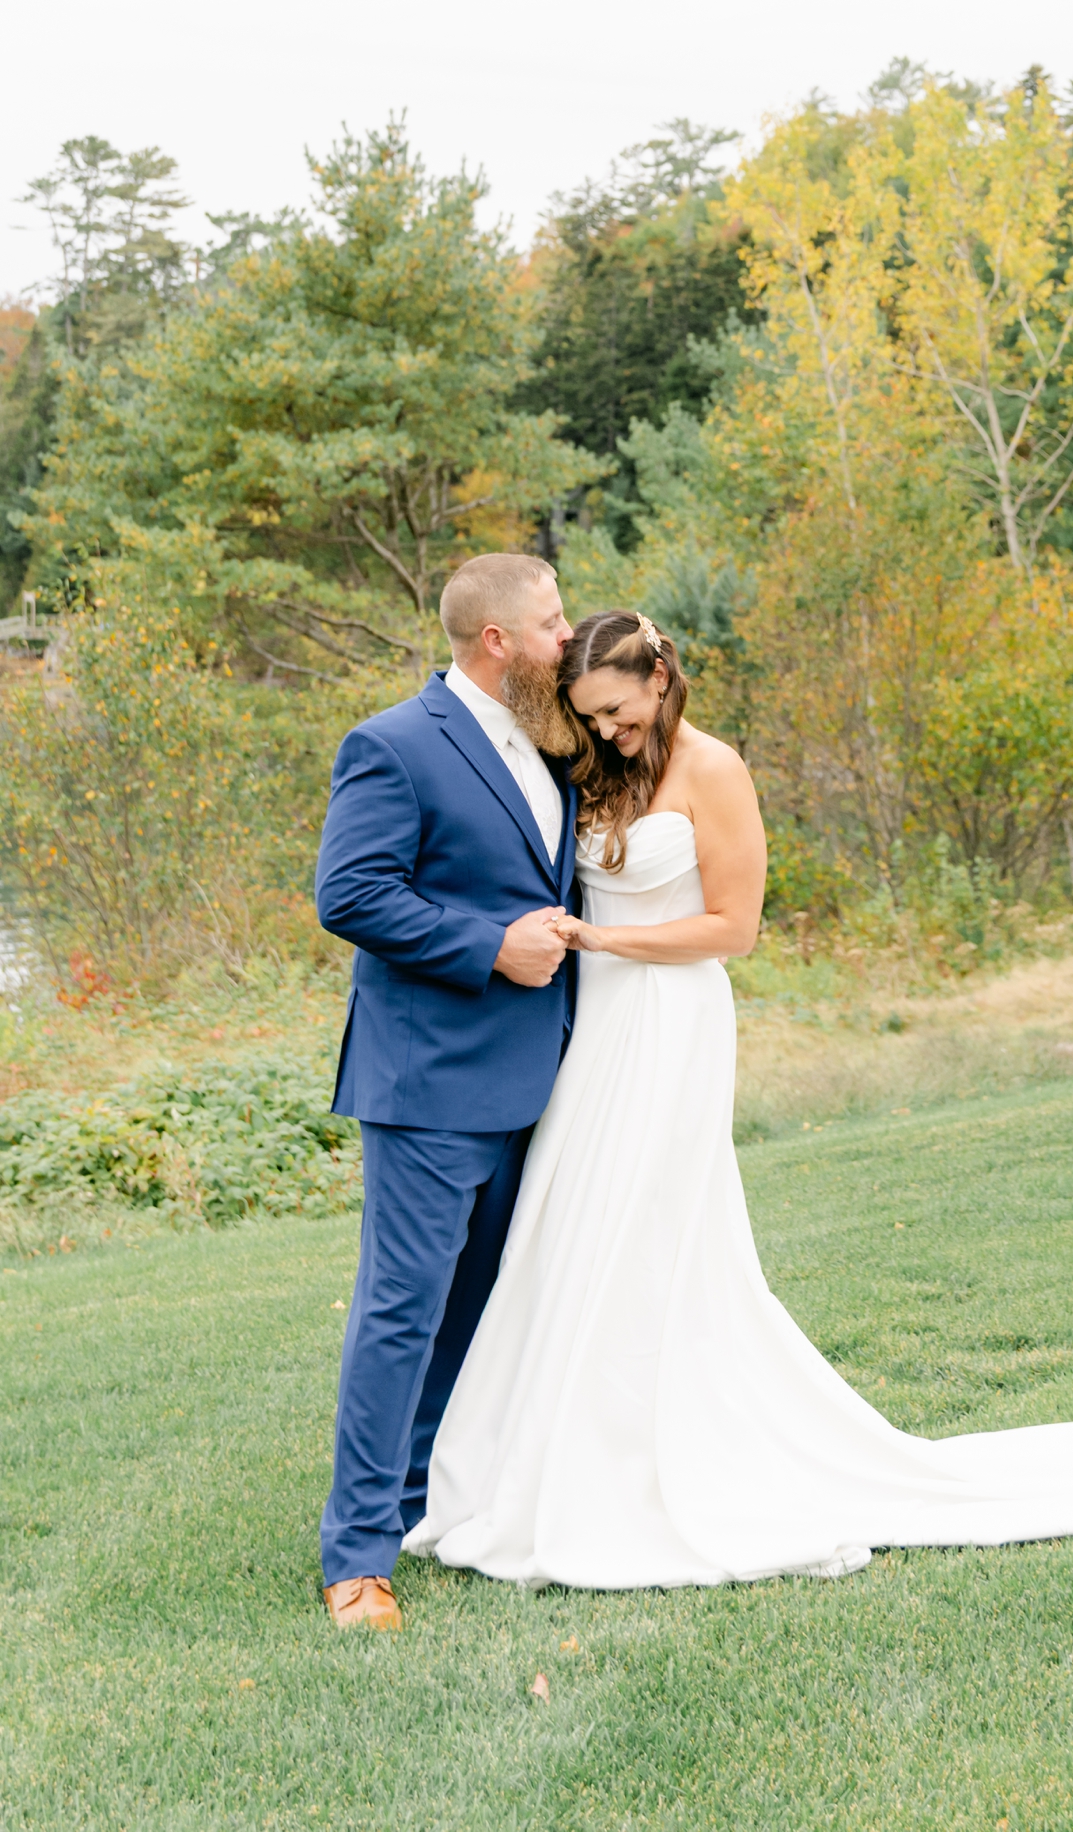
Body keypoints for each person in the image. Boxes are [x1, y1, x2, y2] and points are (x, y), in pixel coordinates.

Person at [405, 611, 1073, 1590]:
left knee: (652, 1227)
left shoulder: (714, 769)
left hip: (671, 1022)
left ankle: (655, 1461)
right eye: (594, 718)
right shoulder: (600, 770)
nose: (611, 732)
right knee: (574, 1228)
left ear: (661, 678)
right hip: (599, 1033)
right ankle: (561, 1454)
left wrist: (603, 942)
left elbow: (734, 928)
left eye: (620, 712)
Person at [313, 553, 580, 1630]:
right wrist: (489, 945)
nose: (571, 635)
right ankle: (357, 1558)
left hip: (543, 1082)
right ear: (497, 642)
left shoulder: (556, 741)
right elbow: (351, 892)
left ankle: (435, 1504)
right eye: (554, 621)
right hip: (428, 1083)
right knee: (402, 1316)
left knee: (482, 1314)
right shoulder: (392, 745)